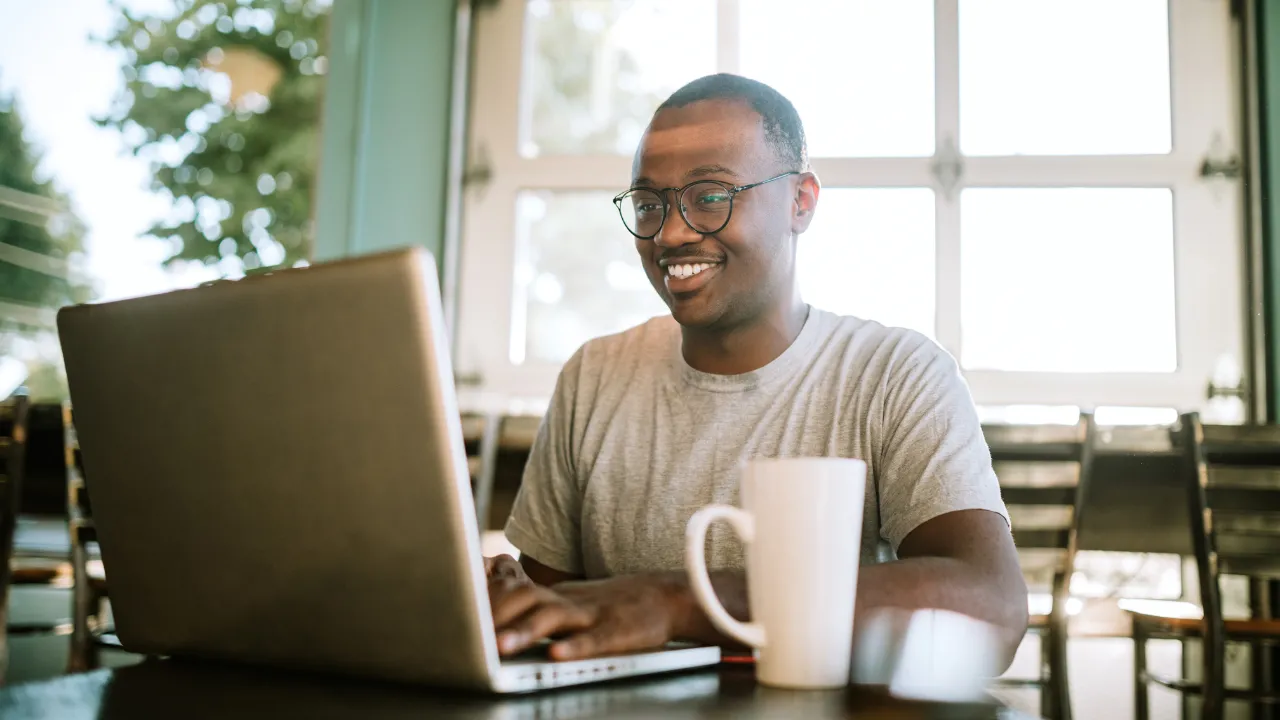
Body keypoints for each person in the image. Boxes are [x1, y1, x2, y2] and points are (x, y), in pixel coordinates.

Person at [484, 73, 1027, 670]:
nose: (670, 233)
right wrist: (506, 603)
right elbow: (555, 619)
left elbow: (991, 608)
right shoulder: (595, 376)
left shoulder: (895, 375)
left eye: (710, 196)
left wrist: (678, 601)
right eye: (648, 205)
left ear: (801, 202)